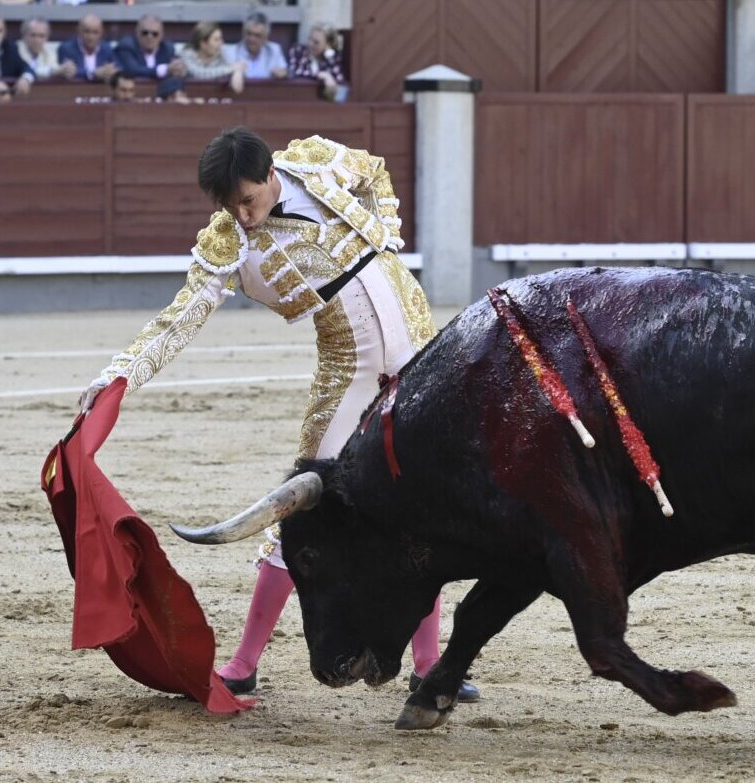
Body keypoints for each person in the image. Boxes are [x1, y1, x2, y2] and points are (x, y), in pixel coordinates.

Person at [76, 128, 479, 703]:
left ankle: (430, 666)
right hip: (350, 371)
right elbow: (180, 318)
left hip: (422, 350)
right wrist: (120, 376)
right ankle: (243, 664)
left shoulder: (314, 162)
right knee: (297, 512)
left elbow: (375, 170)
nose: (241, 216)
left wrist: (387, 235)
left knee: (423, 507)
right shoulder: (228, 243)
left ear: (271, 176)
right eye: (228, 206)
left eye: (247, 200)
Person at [115, 14, 187, 82]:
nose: (149, 37)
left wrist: (179, 69)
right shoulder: (126, 46)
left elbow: (176, 69)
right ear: (136, 32)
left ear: (161, 36)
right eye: (145, 33)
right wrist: (164, 70)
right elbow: (132, 70)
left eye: (155, 34)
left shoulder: (167, 48)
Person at [181, 21, 245, 94]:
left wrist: (238, 71)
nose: (221, 43)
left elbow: (237, 87)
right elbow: (198, 74)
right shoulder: (187, 54)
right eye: (216, 40)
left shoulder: (222, 56)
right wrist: (230, 69)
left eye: (221, 39)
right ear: (203, 43)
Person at [288, 22, 347, 101]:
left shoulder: (333, 58)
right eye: (309, 39)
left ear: (328, 44)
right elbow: (294, 73)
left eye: (316, 42)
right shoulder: (298, 51)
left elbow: (341, 88)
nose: (310, 44)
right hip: (298, 100)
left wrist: (329, 57)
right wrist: (322, 75)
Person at [59, 14, 119, 84]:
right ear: (79, 31)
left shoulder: (106, 48)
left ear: (101, 33)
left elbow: (118, 68)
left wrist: (111, 71)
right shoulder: (66, 48)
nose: (91, 37)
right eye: (87, 32)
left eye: (95, 32)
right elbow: (69, 72)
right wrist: (93, 73)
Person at [229, 12, 288, 80]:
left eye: (257, 35)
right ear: (243, 33)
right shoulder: (231, 52)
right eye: (249, 33)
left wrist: (282, 74)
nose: (252, 39)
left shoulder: (274, 50)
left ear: (265, 38)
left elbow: (284, 72)